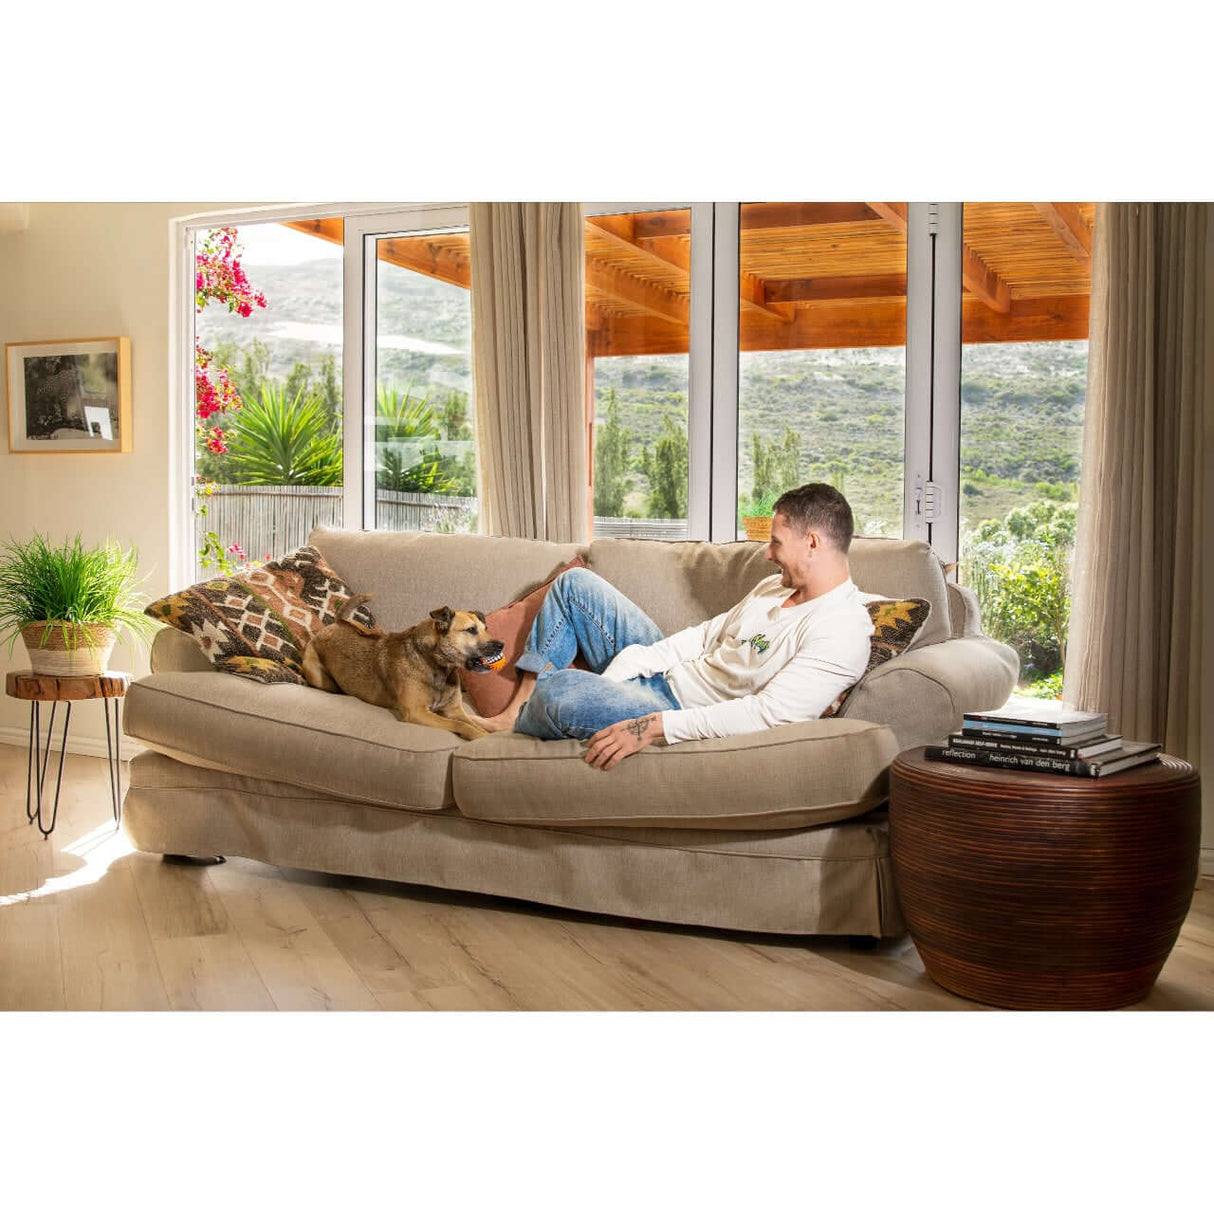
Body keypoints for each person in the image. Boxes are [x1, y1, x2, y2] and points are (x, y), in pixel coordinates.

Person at [474, 483, 875, 771]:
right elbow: (705, 635)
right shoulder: (776, 586)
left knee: (559, 693)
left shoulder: (841, 631)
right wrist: (632, 666)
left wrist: (655, 725)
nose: (767, 554)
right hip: (668, 676)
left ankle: (542, 704)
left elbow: (768, 715)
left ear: (813, 543)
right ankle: (516, 711)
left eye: (776, 543)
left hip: (681, 708)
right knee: (575, 585)